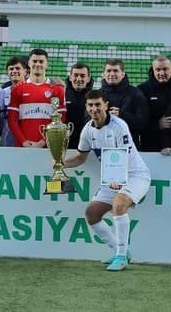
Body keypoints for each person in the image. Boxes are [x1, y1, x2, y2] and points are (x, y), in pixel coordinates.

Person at [62, 90, 152, 272]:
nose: (94, 109)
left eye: (98, 104)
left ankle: (120, 256)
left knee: (119, 205)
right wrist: (61, 163)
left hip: (135, 175)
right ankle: (121, 251)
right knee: (91, 213)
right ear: (86, 108)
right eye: (90, 105)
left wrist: (119, 180)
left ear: (106, 105)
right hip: (112, 178)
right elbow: (81, 157)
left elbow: (124, 155)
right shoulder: (87, 130)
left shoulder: (119, 126)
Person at [7, 48, 66, 148]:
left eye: (41, 61)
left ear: (47, 64)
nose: (38, 64)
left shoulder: (57, 90)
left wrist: (42, 142)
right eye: (34, 61)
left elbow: (61, 119)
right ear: (29, 63)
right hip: (23, 146)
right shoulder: (17, 90)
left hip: (48, 146)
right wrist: (24, 142)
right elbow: (12, 121)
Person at [138, 55, 171, 151]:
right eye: (158, 70)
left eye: (165, 69)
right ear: (153, 70)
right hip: (152, 145)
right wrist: (157, 124)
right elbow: (138, 120)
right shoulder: (142, 90)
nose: (161, 73)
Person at [100, 59, 148, 148]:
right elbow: (87, 119)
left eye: (115, 71)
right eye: (109, 71)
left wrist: (122, 116)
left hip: (129, 147)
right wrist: (103, 118)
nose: (112, 74)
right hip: (103, 146)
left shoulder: (136, 94)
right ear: (104, 74)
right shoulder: (97, 95)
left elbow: (143, 122)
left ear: (123, 74)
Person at [0, 56, 27, 147]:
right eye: (11, 69)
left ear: (25, 71)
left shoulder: (33, 90)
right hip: (7, 141)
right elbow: (0, 118)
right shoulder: (3, 92)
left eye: (18, 68)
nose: (14, 71)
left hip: (27, 140)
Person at [65, 62, 92, 149]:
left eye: (82, 76)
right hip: (65, 144)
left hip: (88, 144)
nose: (79, 78)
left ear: (88, 79)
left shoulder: (95, 97)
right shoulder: (61, 94)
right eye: (75, 75)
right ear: (70, 77)